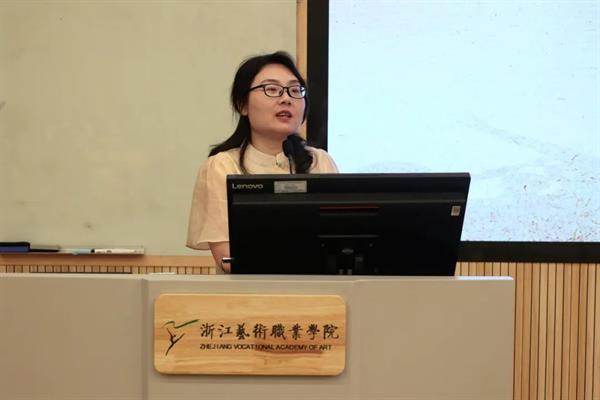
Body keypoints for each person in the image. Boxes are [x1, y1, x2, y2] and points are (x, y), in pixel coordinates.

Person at [186, 51, 338, 272]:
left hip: (321, 290)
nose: (286, 98)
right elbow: (227, 258)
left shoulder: (320, 161)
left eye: (295, 90)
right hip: (250, 291)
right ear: (242, 104)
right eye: (272, 89)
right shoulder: (222, 166)